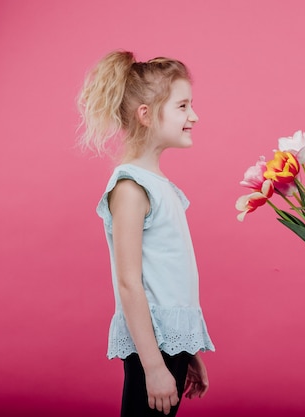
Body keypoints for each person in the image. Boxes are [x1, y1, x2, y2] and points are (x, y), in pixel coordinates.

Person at [77, 50, 215, 417]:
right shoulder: (131, 188)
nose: (194, 116)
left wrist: (189, 351)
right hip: (150, 348)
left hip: (169, 347)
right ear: (146, 115)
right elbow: (129, 283)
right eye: (183, 106)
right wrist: (153, 367)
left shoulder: (159, 184)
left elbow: (167, 279)